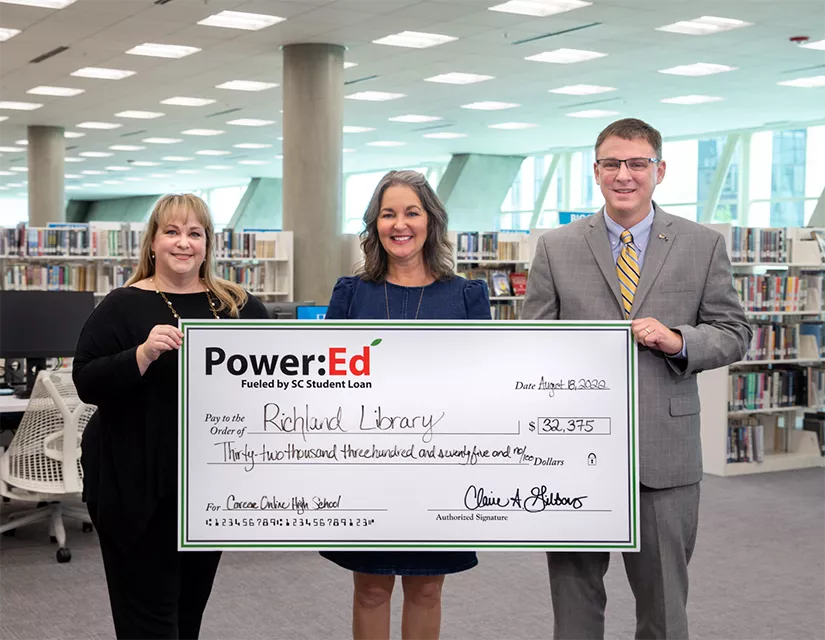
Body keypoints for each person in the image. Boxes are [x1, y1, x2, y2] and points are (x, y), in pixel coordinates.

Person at [522, 118, 751, 640]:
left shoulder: (701, 244)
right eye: (611, 164)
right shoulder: (556, 246)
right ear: (596, 170)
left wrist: (678, 340)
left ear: (659, 170)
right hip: (573, 451)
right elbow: (532, 341)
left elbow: (735, 332)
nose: (624, 175)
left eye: (637, 163)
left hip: (664, 451)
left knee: (665, 603)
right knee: (574, 597)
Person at [73, 193, 269, 640]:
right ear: (153, 243)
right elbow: (86, 381)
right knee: (147, 620)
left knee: (188, 613)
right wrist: (140, 355)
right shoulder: (121, 305)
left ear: (207, 244)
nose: (184, 243)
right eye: (173, 232)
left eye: (194, 233)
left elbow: (274, 378)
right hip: (133, 485)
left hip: (207, 489)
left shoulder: (239, 306)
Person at [321, 169, 491, 640]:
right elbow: (325, 386)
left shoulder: (466, 296)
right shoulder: (352, 295)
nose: (401, 224)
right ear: (374, 225)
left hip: (442, 471)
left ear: (431, 221)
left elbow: (488, 384)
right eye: (388, 214)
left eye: (412, 212)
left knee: (427, 590)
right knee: (371, 590)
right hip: (366, 470)